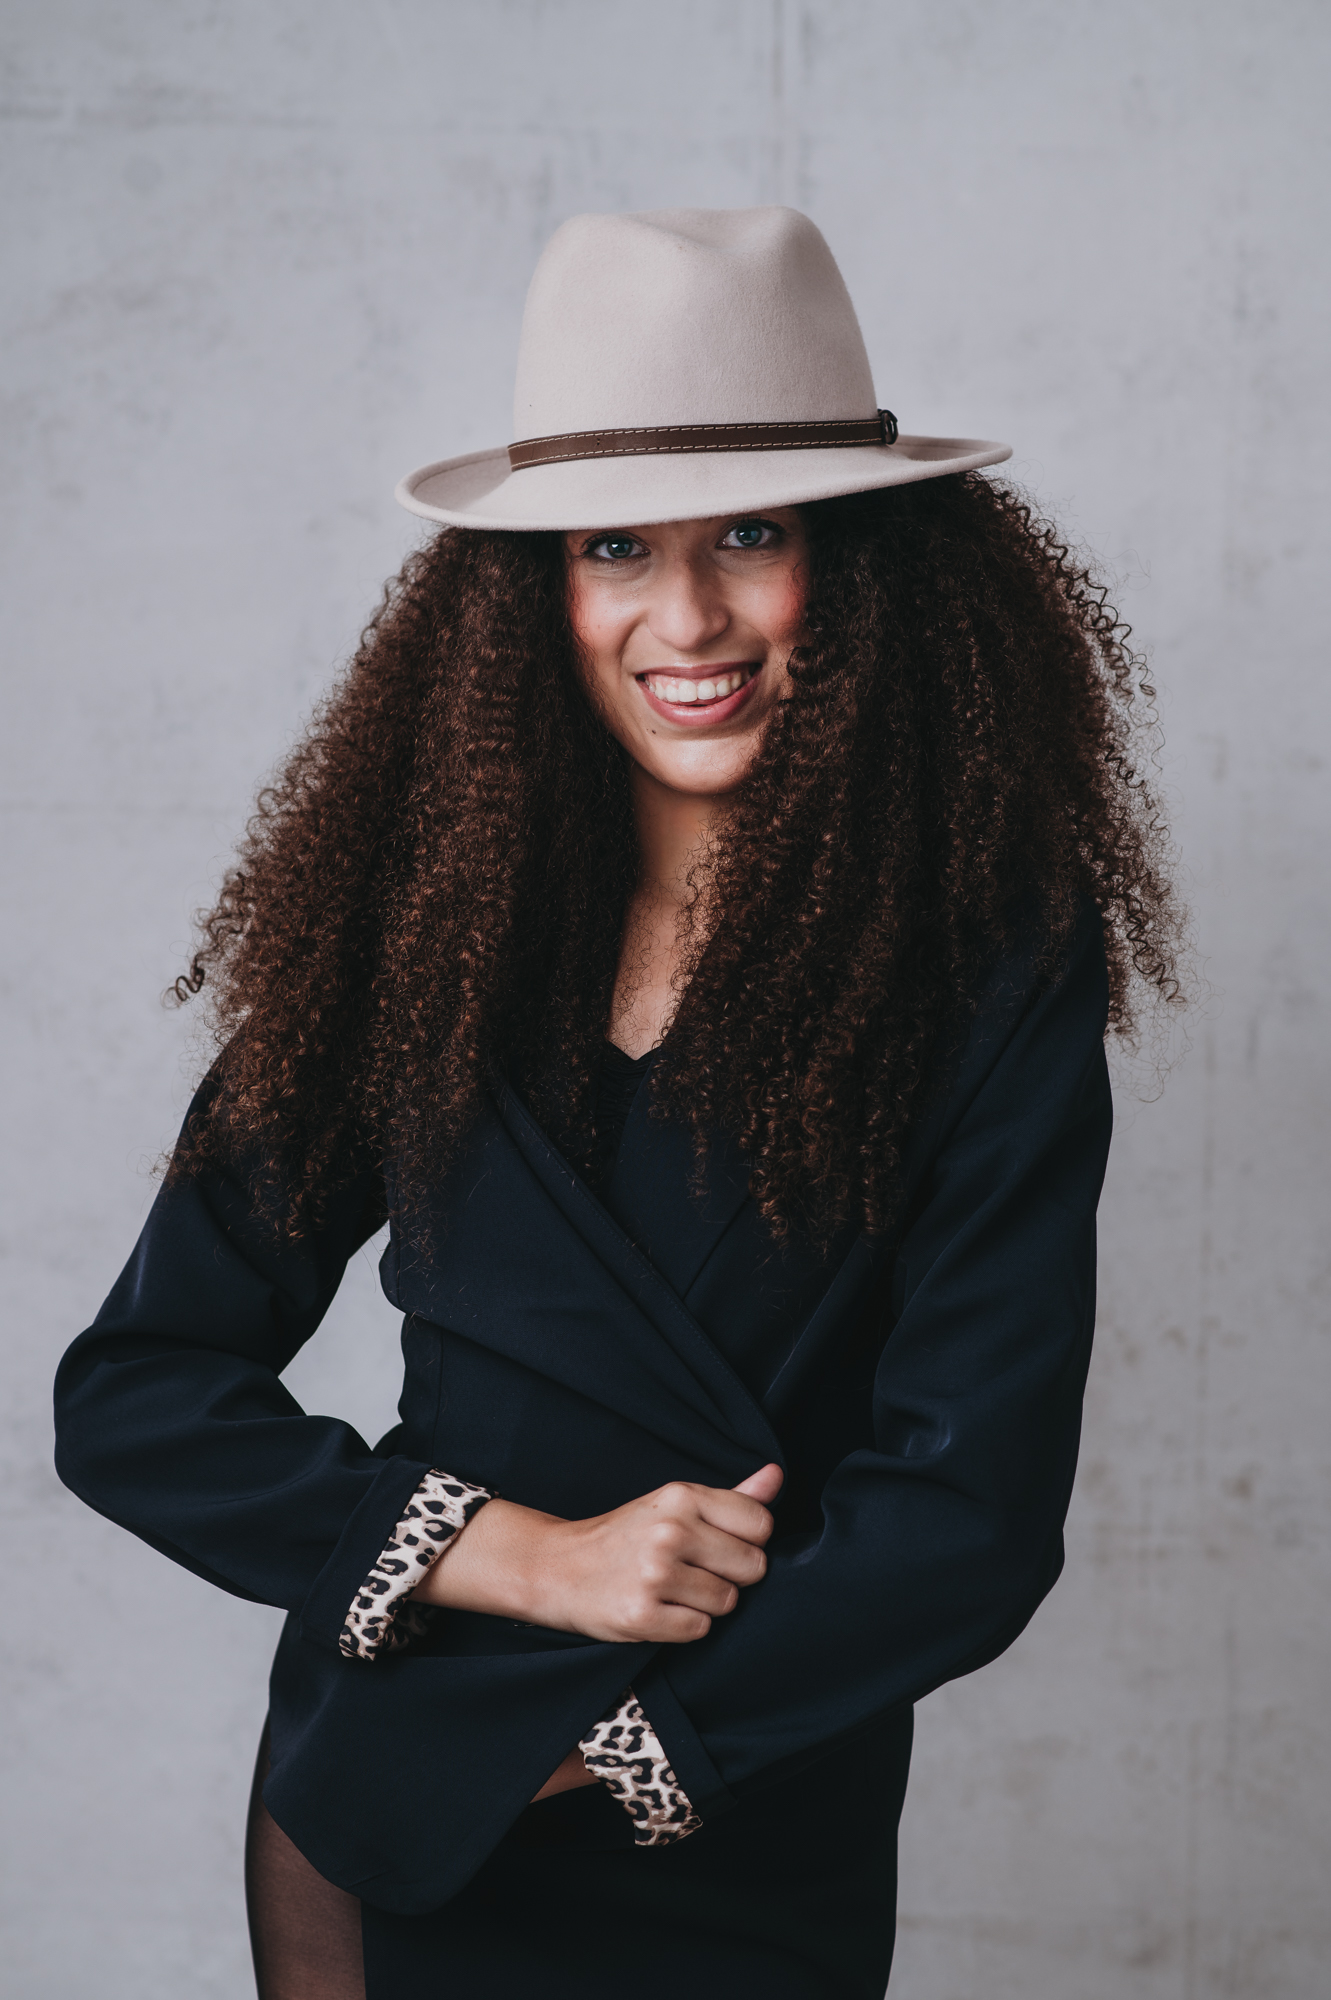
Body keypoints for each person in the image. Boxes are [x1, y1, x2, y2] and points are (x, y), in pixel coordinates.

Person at [54, 207, 1179, 1999]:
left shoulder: (995, 969)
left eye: (752, 533)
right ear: (532, 595)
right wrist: (515, 1557)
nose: (689, 617)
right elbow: (135, 1396)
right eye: (613, 549)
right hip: (385, 1795)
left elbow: (968, 1517)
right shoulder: (407, 936)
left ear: (864, 564)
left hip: (731, 1806)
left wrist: (626, 1751)